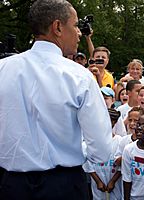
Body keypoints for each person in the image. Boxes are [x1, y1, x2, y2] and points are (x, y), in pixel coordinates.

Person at [0, 0, 112, 199]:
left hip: (9, 185)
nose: (79, 33)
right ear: (58, 27)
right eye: (76, 25)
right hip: (63, 185)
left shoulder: (3, 69)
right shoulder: (79, 76)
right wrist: (76, 152)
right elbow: (102, 149)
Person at [83, 108, 122, 200]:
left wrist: (113, 181)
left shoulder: (119, 141)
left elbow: (122, 165)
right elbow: (88, 164)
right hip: (98, 181)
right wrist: (98, 181)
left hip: (115, 181)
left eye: (111, 121)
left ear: (114, 122)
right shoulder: (90, 142)